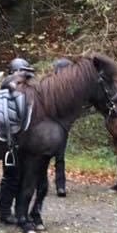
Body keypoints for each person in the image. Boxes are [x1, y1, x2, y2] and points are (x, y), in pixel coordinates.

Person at [0, 57, 34, 224]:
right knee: (11, 177)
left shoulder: (26, 91)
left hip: (20, 142)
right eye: (23, 72)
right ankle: (5, 212)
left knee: (18, 178)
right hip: (11, 141)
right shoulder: (10, 85)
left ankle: (17, 212)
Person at [51, 58, 73, 197]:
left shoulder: (71, 89)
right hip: (48, 124)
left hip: (62, 126)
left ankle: (61, 186)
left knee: (60, 157)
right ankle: (40, 183)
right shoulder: (50, 85)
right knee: (43, 156)